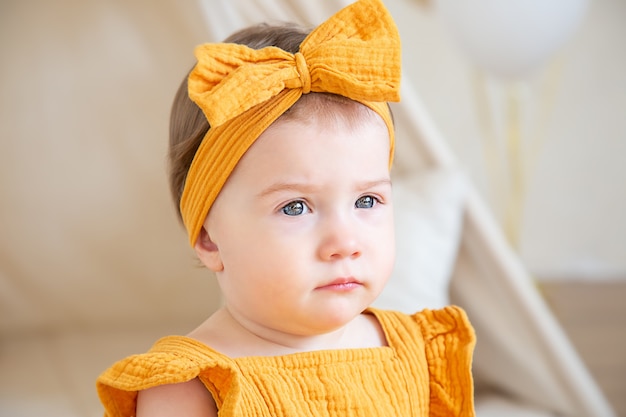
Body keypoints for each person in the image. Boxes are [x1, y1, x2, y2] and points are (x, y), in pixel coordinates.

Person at [96, 0, 476, 415]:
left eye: (366, 200)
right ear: (209, 238)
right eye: (295, 207)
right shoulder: (191, 388)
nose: (344, 242)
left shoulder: (417, 351)